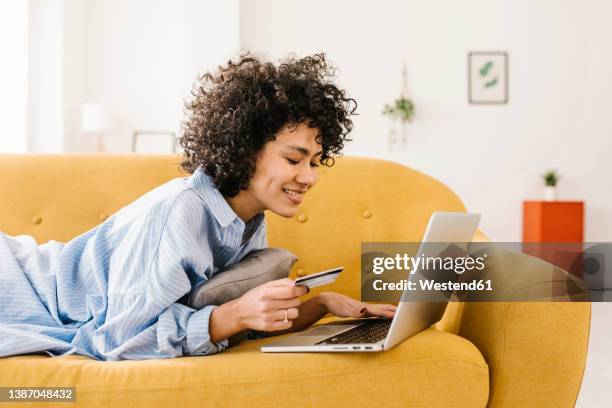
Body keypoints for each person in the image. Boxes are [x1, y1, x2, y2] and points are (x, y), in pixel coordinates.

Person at [0, 53, 396, 361]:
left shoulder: (246, 218)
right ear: (245, 150)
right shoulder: (183, 211)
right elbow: (115, 343)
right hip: (18, 284)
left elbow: (230, 322)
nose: (309, 177)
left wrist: (321, 306)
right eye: (294, 160)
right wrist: (232, 315)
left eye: (314, 161)